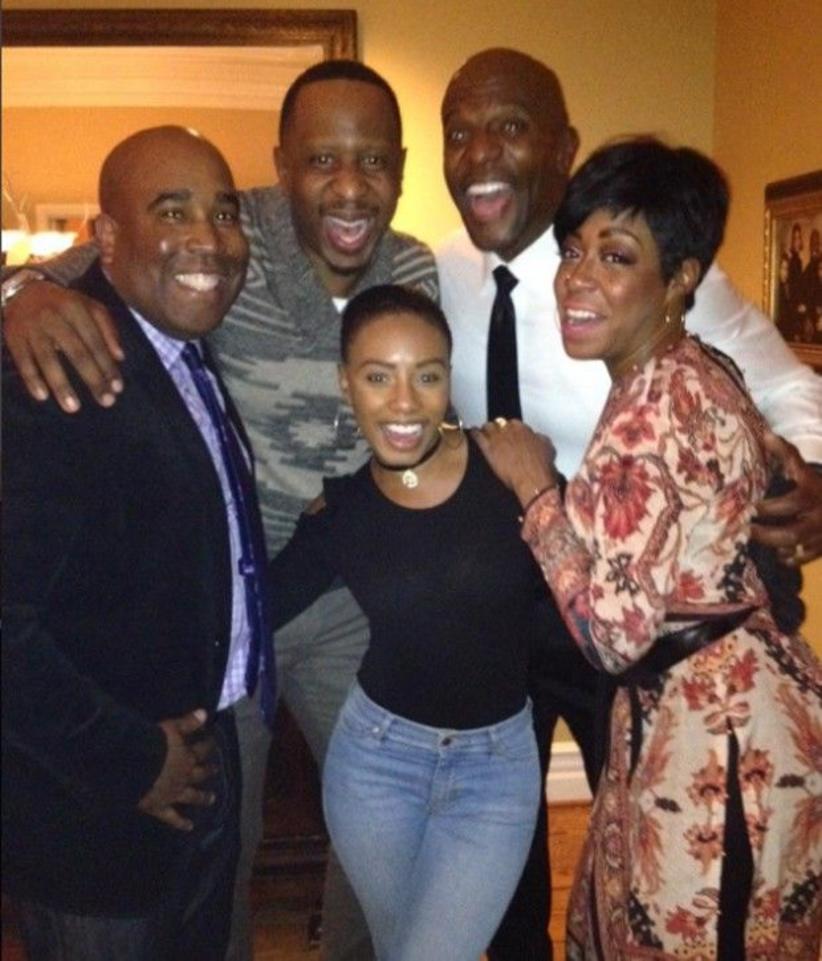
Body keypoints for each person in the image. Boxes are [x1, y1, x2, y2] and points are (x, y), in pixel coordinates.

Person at [1, 60, 438, 961]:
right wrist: (19, 292)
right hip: (211, 610)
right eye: (321, 159)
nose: (348, 185)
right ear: (282, 168)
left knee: (393, 810)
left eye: (372, 160)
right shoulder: (215, 249)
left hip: (323, 591)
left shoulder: (410, 267)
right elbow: (90, 260)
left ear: (400, 167)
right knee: (214, 849)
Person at [437, 47, 822, 959]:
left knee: (683, 887)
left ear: (562, 145)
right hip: (514, 608)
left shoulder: (669, 318)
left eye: (509, 126)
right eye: (459, 132)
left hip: (645, 639)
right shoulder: (440, 266)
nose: (480, 152)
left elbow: (789, 391)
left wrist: (812, 476)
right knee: (517, 838)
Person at [2, 126, 259, 960]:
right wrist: (133, 759)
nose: (209, 239)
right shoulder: (56, 365)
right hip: (97, 814)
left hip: (198, 762)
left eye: (224, 213)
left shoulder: (179, 350)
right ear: (107, 238)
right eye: (172, 211)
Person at [268, 282, 579, 961]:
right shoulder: (342, 511)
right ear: (345, 382)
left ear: (448, 380)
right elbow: (254, 611)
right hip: (374, 766)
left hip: (495, 771)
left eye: (427, 376)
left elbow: (595, 589)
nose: (405, 402)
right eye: (378, 377)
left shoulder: (509, 466)